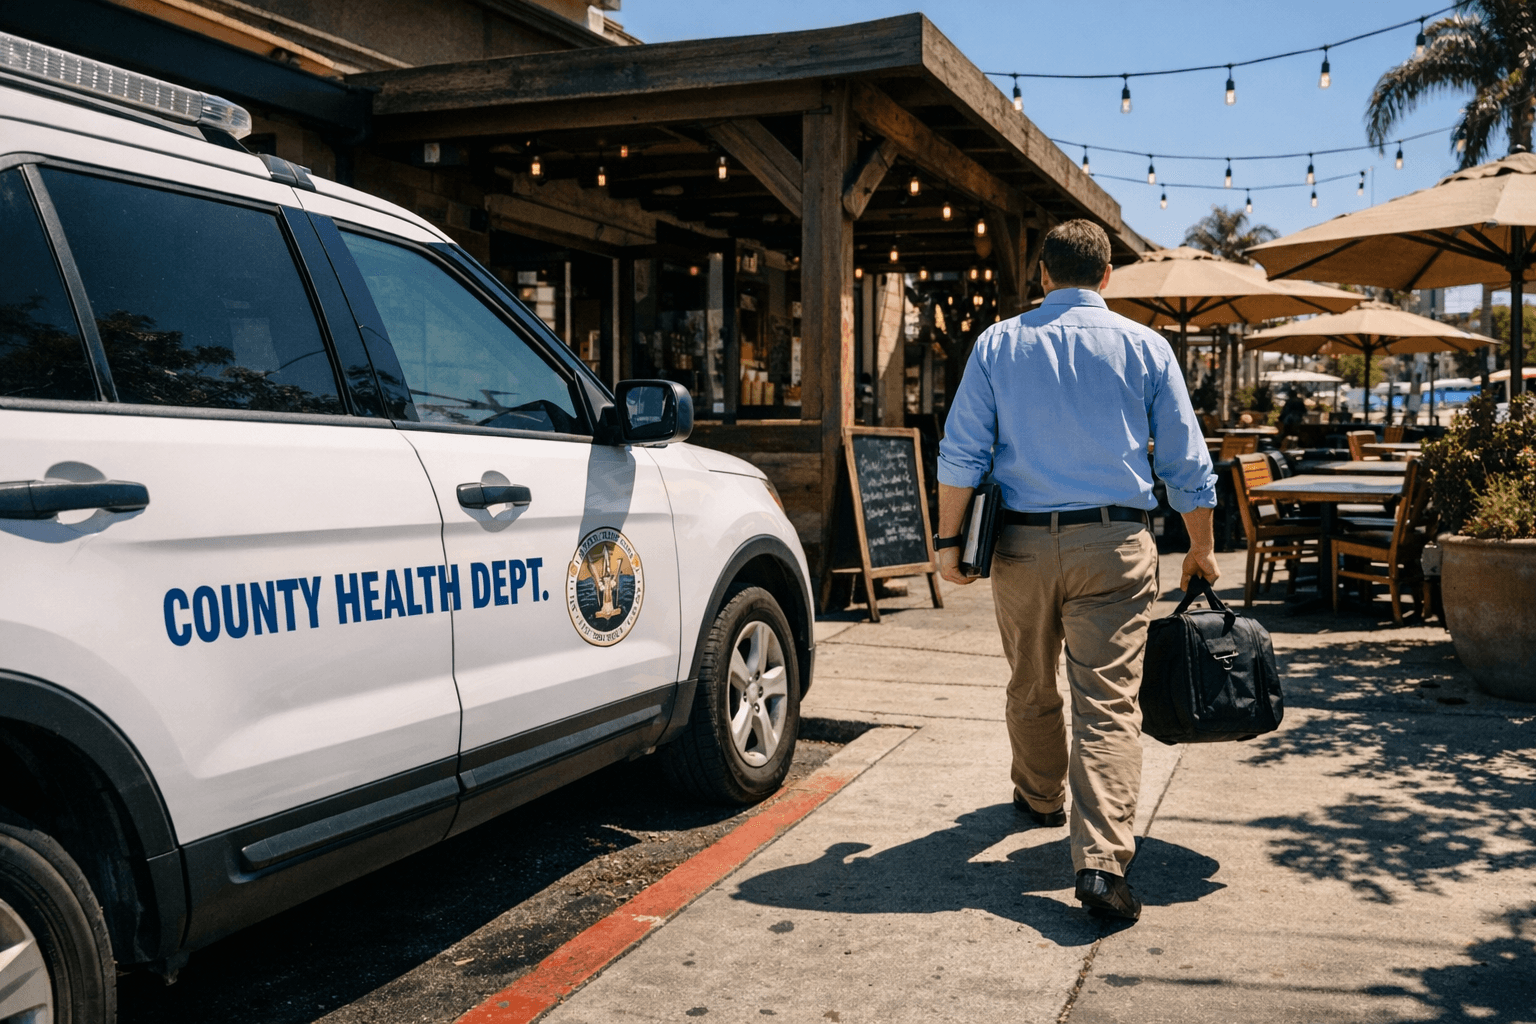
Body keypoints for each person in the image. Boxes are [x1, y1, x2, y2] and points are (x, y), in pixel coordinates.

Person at [933, 220, 1218, 922]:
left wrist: (947, 544)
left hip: (1021, 549)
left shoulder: (998, 343)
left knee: (1030, 681)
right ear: (1108, 276)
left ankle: (1038, 795)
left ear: (1042, 276)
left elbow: (961, 450)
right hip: (1114, 544)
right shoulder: (1147, 346)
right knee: (1108, 704)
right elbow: (1186, 459)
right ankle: (1099, 864)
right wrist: (1201, 547)